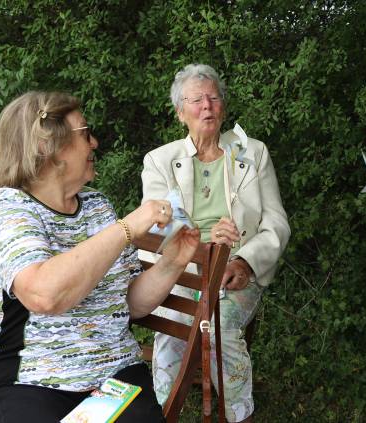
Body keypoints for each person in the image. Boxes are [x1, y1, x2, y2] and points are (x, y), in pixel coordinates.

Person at [0, 91, 201, 423]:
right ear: (46, 146)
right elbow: (44, 294)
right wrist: (126, 228)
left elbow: (129, 303)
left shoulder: (96, 206)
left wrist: (173, 262)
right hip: (29, 381)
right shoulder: (6, 209)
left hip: (115, 378)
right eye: (85, 133)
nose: (94, 143)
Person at [141, 63, 290, 423]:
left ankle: (239, 416)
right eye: (196, 100)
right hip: (183, 271)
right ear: (181, 113)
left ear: (222, 106)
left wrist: (244, 262)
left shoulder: (252, 153)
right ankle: (164, 412)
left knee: (219, 325)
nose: (206, 106)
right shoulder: (160, 161)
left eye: (213, 98)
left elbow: (276, 223)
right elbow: (161, 231)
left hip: (235, 272)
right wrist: (204, 253)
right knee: (173, 327)